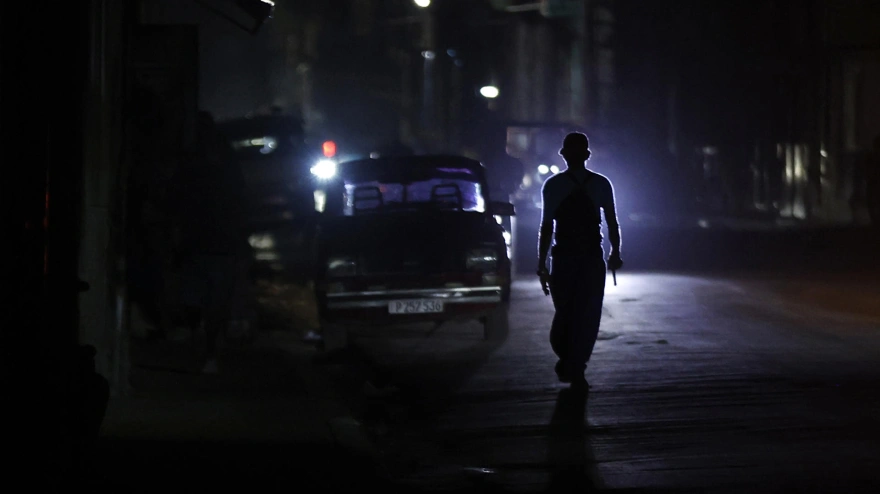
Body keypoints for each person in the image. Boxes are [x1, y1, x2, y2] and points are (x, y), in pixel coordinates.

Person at [536, 132, 623, 386]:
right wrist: (615, 252)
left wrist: (542, 263)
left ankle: (569, 360)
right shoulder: (602, 184)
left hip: (563, 257)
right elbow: (612, 223)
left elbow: (546, 227)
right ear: (587, 155)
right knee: (588, 313)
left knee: (565, 311)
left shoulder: (553, 186)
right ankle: (577, 364)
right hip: (591, 258)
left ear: (564, 156)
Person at [170, 111, 249, 374]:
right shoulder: (219, 164)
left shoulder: (193, 163)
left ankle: (205, 348)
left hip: (204, 243)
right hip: (213, 243)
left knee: (202, 300)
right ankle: (208, 351)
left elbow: (181, 200)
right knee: (212, 301)